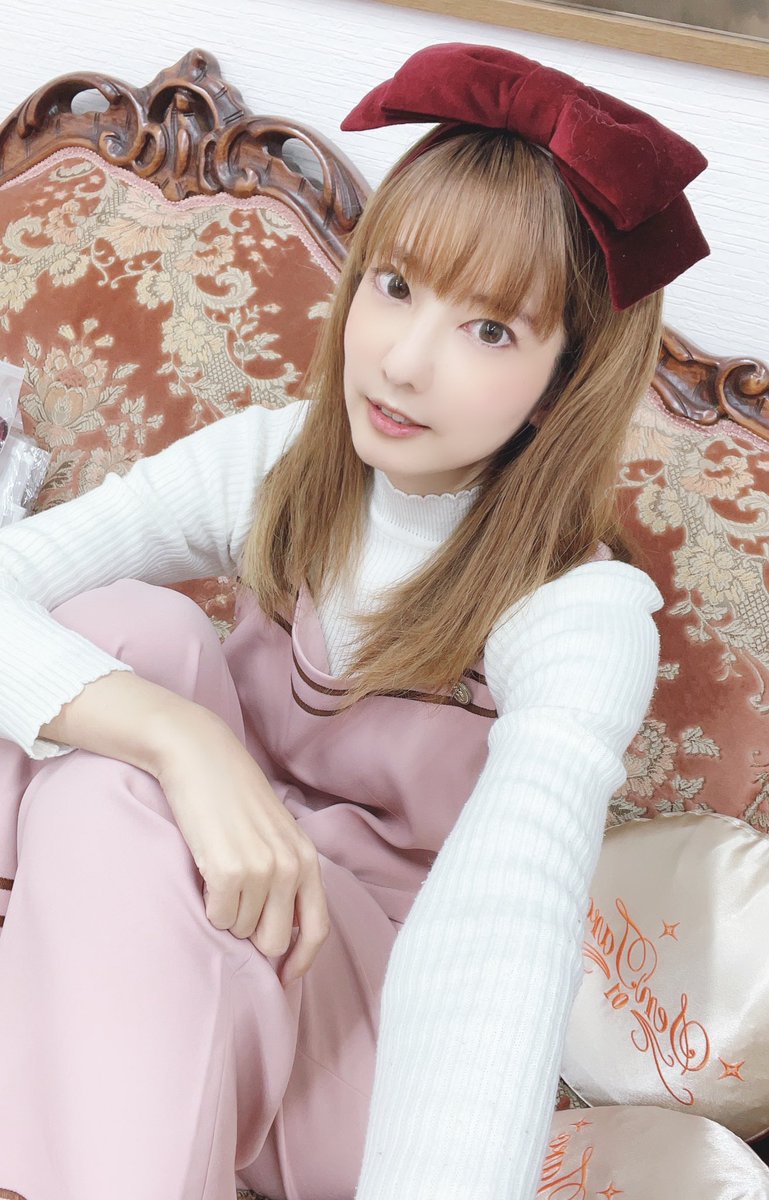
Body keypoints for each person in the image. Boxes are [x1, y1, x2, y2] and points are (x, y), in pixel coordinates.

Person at [0, 41, 709, 1200]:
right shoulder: (278, 462)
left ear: (565, 379)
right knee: (130, 635)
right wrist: (185, 742)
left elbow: (507, 916)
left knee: (96, 789)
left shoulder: (579, 612)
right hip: (172, 945)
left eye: (491, 330)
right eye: (394, 285)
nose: (404, 362)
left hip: (357, 1048)